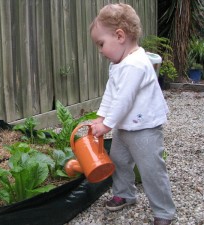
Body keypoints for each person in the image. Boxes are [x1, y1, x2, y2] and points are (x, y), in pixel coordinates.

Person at [89, 3, 176, 225]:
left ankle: (164, 210)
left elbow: (123, 100)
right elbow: (111, 93)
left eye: (101, 44)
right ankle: (125, 194)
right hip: (125, 127)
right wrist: (101, 117)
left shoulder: (136, 64)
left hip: (145, 128)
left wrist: (106, 125)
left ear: (119, 36)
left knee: (151, 169)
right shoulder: (118, 63)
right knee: (118, 160)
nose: (100, 50)